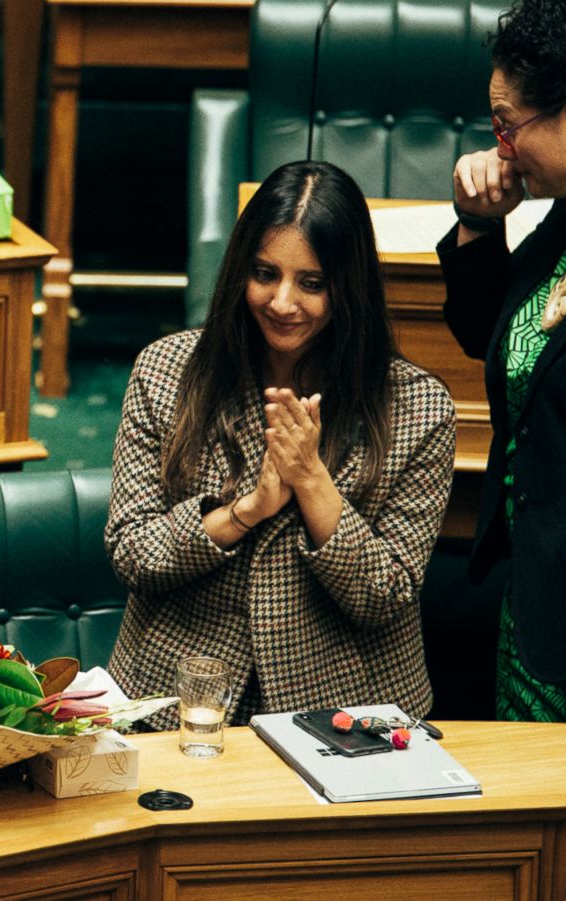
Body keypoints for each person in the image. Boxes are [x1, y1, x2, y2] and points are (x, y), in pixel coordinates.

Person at [106, 160, 455, 731]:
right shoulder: (166, 370)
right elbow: (132, 552)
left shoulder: (418, 407)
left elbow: (387, 595)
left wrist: (313, 482)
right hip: (177, 695)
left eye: (311, 283)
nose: (282, 301)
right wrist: (246, 511)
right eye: (265, 274)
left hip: (347, 705)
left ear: (349, 286)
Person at [443, 0, 566, 723]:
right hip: (538, 591)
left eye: (508, 124)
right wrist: (476, 222)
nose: (500, 146)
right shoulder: (564, 219)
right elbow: (486, 333)